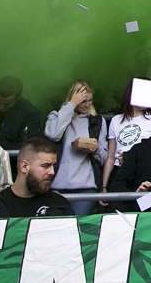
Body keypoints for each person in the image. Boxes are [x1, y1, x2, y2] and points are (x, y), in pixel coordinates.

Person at [0, 137, 74, 218]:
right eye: (45, 166)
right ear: (24, 166)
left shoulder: (60, 205)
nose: (52, 172)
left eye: (53, 166)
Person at [45, 81, 107, 215]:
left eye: (90, 100)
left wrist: (96, 149)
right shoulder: (56, 115)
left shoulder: (97, 121)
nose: (87, 104)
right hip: (56, 186)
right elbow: (53, 135)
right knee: (57, 224)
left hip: (87, 187)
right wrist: (71, 105)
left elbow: (104, 159)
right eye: (83, 101)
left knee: (77, 224)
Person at [102, 84, 151, 192]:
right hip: (119, 171)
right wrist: (104, 187)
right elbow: (110, 158)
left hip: (142, 170)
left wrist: (129, 157)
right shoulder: (116, 120)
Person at [0, 76, 43, 150]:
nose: (1, 107)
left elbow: (28, 146)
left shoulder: (30, 114)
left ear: (18, 98)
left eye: (7, 104)